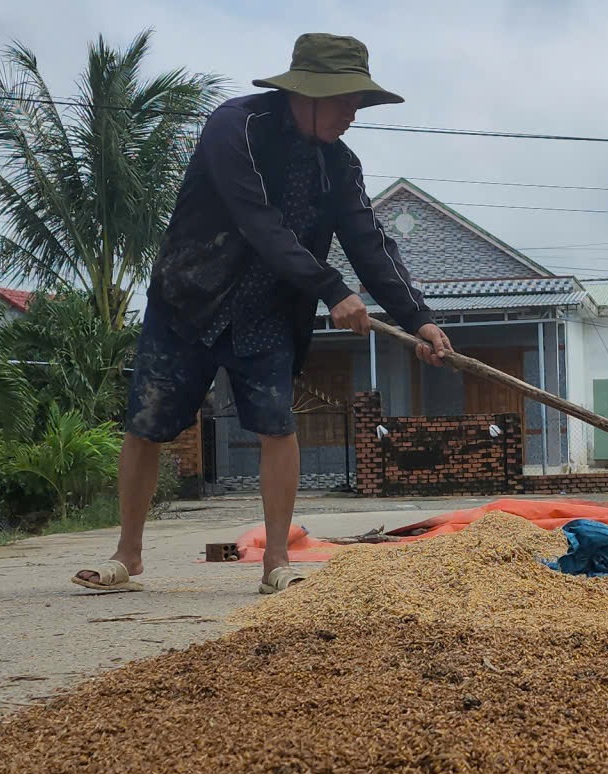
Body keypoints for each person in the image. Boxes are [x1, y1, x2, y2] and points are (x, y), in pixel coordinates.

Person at [73, 33, 453, 594]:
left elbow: (369, 243)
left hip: (269, 312)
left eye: (358, 103)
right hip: (189, 298)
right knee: (147, 425)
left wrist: (417, 317)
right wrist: (331, 288)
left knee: (278, 425)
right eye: (347, 100)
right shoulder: (237, 127)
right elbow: (256, 219)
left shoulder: (340, 165)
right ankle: (128, 554)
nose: (353, 114)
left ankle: (277, 561)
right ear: (311, 93)